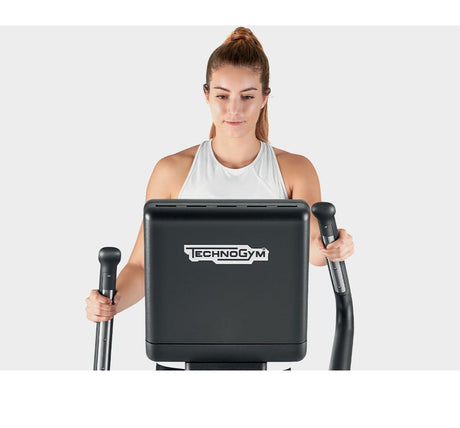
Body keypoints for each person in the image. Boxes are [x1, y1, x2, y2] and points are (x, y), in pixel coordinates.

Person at [86, 26, 354, 333]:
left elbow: (313, 248)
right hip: (186, 339)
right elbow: (143, 265)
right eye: (222, 96)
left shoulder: (296, 169)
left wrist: (335, 246)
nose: (234, 109)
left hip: (268, 338)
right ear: (206, 95)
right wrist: (110, 302)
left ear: (264, 98)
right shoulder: (172, 171)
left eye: (247, 96)